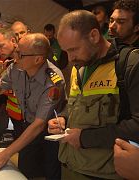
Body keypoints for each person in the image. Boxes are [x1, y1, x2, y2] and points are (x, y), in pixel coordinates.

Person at [47, 10, 121, 179]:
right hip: (70, 164)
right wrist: (64, 118)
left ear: (94, 36)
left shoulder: (123, 67)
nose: (71, 58)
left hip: (102, 173)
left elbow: (134, 126)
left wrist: (85, 138)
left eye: (73, 49)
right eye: (66, 51)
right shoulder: (79, 68)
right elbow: (75, 104)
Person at [0, 33, 65, 179]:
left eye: (20, 54)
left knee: (50, 173)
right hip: (27, 127)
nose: (14, 55)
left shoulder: (53, 81)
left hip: (51, 134)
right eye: (16, 50)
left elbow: (39, 125)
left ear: (38, 59)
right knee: (24, 171)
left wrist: (5, 153)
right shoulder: (16, 68)